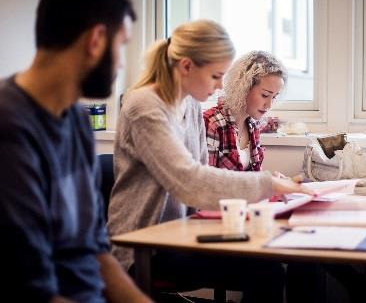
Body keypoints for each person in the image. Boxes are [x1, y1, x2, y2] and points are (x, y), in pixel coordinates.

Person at [107, 20, 313, 302]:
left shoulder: (189, 104)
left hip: (181, 232)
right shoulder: (144, 106)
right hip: (145, 244)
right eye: (216, 76)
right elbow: (190, 181)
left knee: (279, 261)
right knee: (265, 269)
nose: (219, 88)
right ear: (187, 66)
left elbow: (201, 174)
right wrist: (268, 184)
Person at [0, 0, 152, 302]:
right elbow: (31, 291)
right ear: (96, 40)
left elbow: (95, 252)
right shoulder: (9, 126)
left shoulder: (77, 121)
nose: (121, 63)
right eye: (121, 45)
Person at [203, 50, 286, 172]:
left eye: (274, 97)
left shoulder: (253, 125)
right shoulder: (212, 123)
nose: (269, 105)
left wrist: (270, 181)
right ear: (244, 88)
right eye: (264, 95)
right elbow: (206, 182)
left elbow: (252, 177)